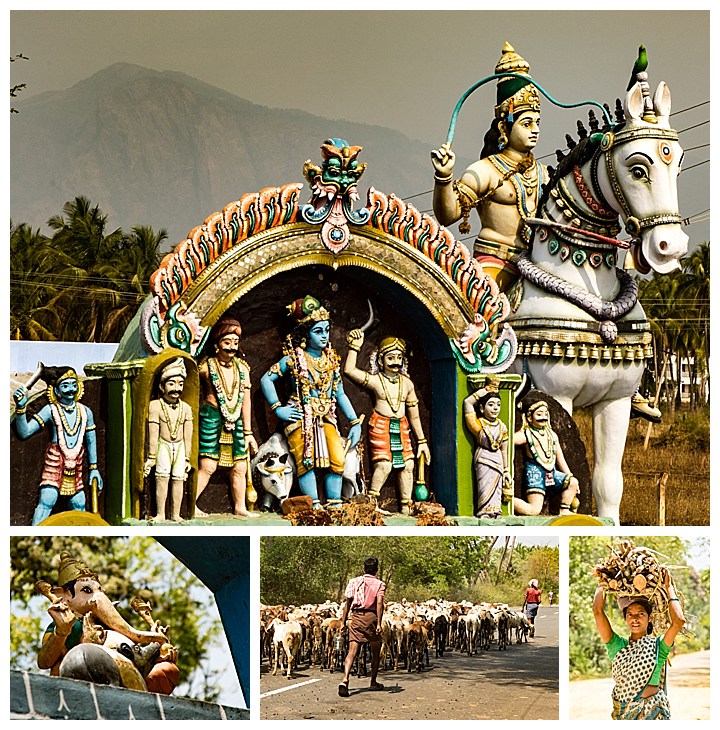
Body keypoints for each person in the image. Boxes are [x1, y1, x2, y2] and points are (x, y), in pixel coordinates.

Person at [431, 42, 548, 290]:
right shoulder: (485, 171)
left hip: (536, 268)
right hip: (493, 266)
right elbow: (447, 215)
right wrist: (444, 177)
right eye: (526, 123)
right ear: (505, 127)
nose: (535, 130)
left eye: (537, 122)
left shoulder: (544, 174)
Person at [260, 295, 362, 509]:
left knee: (337, 459)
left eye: (326, 330)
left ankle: (334, 503)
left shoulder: (331, 361)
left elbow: (340, 394)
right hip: (299, 415)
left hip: (326, 416)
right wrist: (278, 408)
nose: (324, 336)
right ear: (305, 334)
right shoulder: (294, 360)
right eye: (318, 331)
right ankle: (313, 504)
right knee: (306, 461)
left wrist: (354, 422)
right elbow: (266, 380)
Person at [36, 551, 175, 691]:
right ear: (64, 596)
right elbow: (44, 662)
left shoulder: (111, 628)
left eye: (100, 590)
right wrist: (62, 631)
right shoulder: (73, 626)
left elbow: (140, 658)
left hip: (131, 684)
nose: (99, 597)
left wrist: (159, 648)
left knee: (167, 669)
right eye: (86, 590)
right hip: (88, 684)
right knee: (83, 656)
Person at [344, 329, 431, 514]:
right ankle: (372, 504)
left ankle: (406, 507)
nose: (396, 362)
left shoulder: (407, 384)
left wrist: (422, 441)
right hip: (381, 425)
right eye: (391, 358)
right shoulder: (376, 381)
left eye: (399, 357)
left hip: (402, 427)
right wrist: (354, 348)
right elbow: (349, 370)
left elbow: (414, 415)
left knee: (408, 465)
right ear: (380, 360)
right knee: (384, 465)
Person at [13, 366, 103, 525]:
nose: (71, 390)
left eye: (74, 385)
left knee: (79, 504)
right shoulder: (50, 410)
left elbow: (91, 439)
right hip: (55, 463)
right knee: (47, 501)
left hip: (76, 466)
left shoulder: (85, 412)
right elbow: (25, 432)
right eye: (65, 386)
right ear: (57, 391)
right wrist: (21, 408)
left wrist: (94, 468)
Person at [593, 567, 686, 720]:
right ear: (626, 619)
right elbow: (597, 611)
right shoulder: (617, 646)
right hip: (625, 715)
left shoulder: (659, 646)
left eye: (640, 614)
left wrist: (668, 587)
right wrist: (603, 582)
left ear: (649, 617)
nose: (635, 618)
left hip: (653, 715)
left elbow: (679, 621)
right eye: (630, 614)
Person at [196, 318, 257, 516]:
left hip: (236, 420)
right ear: (216, 345)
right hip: (212, 417)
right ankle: (190, 505)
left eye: (235, 343)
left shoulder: (243, 370)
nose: (231, 348)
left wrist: (248, 432)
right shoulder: (206, 368)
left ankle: (240, 507)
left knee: (240, 466)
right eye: (227, 342)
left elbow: (246, 401)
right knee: (208, 464)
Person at [144, 357, 194, 522]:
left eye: (180, 384)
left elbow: (188, 435)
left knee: (178, 479)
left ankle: (176, 514)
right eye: (171, 384)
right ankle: (161, 513)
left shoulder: (186, 408)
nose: (176, 388)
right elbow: (153, 432)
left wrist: (187, 457)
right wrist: (152, 457)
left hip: (179, 447)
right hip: (163, 445)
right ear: (161, 386)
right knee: (162, 478)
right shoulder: (155, 406)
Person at [513, 397, 579, 516]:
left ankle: (564, 510)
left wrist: (570, 476)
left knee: (572, 482)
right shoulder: (527, 434)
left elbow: (561, 459)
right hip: (535, 474)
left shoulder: (552, 435)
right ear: (529, 417)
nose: (543, 417)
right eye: (539, 414)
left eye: (545, 414)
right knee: (534, 510)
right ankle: (507, 501)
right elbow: (510, 440)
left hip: (552, 473)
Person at [463, 377, 510, 518]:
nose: (495, 408)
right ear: (482, 409)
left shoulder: (502, 427)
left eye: (498, 404)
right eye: (491, 404)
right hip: (483, 459)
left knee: (497, 489)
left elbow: (504, 449)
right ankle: (485, 511)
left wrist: (506, 470)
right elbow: (467, 402)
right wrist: (485, 390)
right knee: (485, 486)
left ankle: (496, 511)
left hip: (498, 461)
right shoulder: (479, 425)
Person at [338, 556, 386, 697]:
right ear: (376, 570)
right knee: (376, 649)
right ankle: (373, 682)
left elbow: (347, 603)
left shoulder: (354, 581)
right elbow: (379, 603)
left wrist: (343, 622)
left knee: (352, 650)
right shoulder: (379, 584)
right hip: (371, 617)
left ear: (364, 569)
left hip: (356, 617)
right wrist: (378, 623)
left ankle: (345, 679)